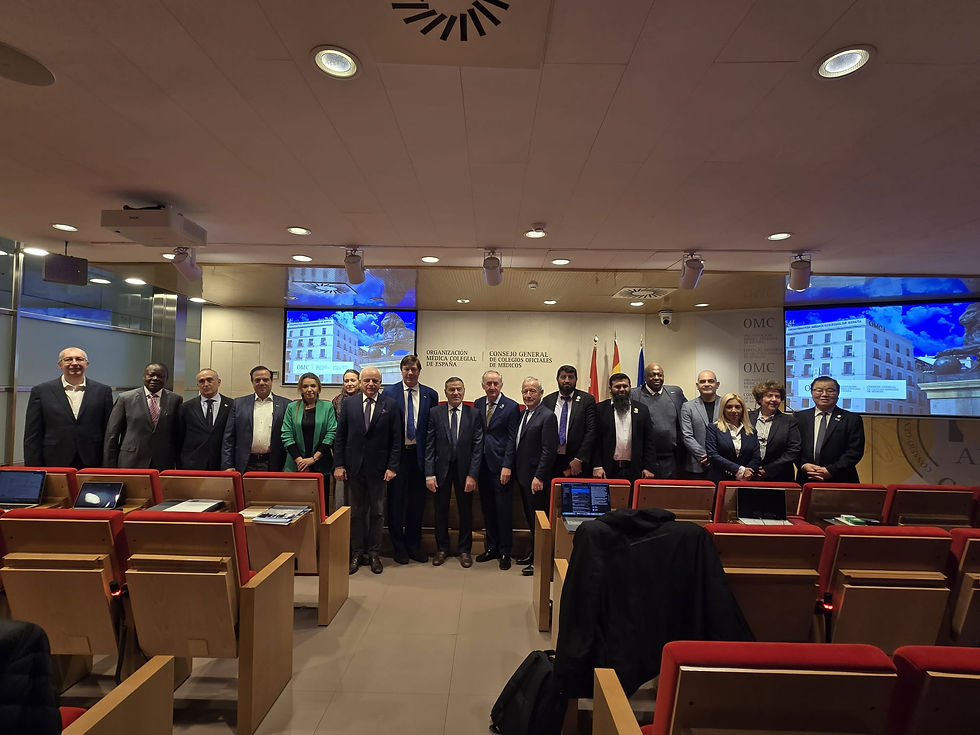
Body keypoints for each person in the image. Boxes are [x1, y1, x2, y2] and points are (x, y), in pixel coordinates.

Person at [333, 366, 401, 575]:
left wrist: (392, 466)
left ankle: (374, 553)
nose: (371, 384)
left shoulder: (390, 405)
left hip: (379, 470)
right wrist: (339, 464)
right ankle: (356, 552)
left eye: (375, 381)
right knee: (356, 513)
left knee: (378, 513)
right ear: (361, 382)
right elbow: (341, 436)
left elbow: (396, 440)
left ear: (380, 383)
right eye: (367, 380)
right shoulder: (350, 404)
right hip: (354, 468)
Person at [384, 355, 439, 564]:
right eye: (406, 369)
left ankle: (414, 546)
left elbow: (431, 429)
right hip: (397, 457)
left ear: (419, 371)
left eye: (413, 369)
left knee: (417, 505)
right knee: (396, 504)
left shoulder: (430, 395)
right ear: (401, 370)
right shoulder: (389, 393)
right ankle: (399, 548)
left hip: (420, 457)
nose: (410, 373)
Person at [424, 377, 483, 567]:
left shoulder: (474, 413)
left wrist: (473, 474)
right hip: (441, 470)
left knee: (465, 511)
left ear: (464, 391)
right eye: (451, 390)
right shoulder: (435, 412)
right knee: (440, 510)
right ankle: (442, 548)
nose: (455, 393)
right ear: (445, 392)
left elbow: (478, 446)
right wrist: (429, 473)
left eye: (459, 389)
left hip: (465, 470)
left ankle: (465, 550)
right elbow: (430, 445)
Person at [23, 346, 113, 469]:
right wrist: (33, 468)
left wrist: (109, 464)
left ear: (87, 364)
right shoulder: (41, 391)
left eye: (79, 359)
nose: (74, 363)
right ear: (59, 365)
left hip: (93, 460)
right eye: (68, 359)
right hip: (53, 460)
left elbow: (109, 431)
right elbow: (32, 434)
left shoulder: (103, 391)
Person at [472, 370, 520, 570]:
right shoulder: (477, 403)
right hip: (481, 466)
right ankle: (491, 547)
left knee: (503, 510)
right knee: (488, 509)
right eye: (488, 383)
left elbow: (512, 440)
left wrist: (507, 465)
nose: (492, 387)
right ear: (483, 385)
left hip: (501, 467)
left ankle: (505, 551)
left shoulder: (511, 406)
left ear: (501, 385)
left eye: (495, 383)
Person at [513, 377, 558, 576]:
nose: (528, 395)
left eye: (532, 391)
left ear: (541, 393)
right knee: (531, 521)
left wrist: (539, 476)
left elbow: (549, 451)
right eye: (525, 391)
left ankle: (541, 560)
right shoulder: (524, 414)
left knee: (539, 522)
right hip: (523, 477)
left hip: (536, 480)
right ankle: (533, 554)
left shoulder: (547, 416)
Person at [103, 362, 182, 470]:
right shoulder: (125, 398)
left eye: (160, 376)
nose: (155, 378)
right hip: (131, 461)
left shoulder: (175, 399)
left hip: (163, 462)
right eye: (151, 375)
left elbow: (177, 434)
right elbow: (112, 434)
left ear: (166, 378)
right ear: (144, 376)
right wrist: (109, 466)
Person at [795, 376, 865, 484]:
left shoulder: (852, 419)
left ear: (838, 393)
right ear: (811, 392)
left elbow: (854, 451)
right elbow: (794, 447)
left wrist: (831, 470)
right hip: (807, 478)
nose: (824, 394)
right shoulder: (799, 417)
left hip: (842, 479)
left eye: (830, 390)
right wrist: (803, 465)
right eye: (819, 390)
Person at [221, 365, 291, 473]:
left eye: (265, 379)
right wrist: (227, 464)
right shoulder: (238, 404)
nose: (262, 383)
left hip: (274, 463)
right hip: (245, 463)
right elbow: (229, 437)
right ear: (252, 382)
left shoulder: (286, 404)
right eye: (257, 380)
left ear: (271, 381)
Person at [592, 373, 657, 484]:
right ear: (610, 389)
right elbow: (594, 441)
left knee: (633, 500)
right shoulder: (600, 409)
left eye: (625, 386)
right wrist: (597, 466)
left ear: (630, 387)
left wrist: (649, 467)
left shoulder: (642, 409)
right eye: (617, 387)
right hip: (607, 470)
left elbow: (649, 441)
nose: (622, 389)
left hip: (636, 469)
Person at [281, 373, 337, 501]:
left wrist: (313, 459)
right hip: (296, 465)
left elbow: (331, 433)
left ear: (319, 388)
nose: (309, 389)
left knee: (320, 506)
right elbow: (286, 434)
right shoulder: (292, 407)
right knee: (295, 504)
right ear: (300, 389)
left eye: (313, 386)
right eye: (305, 386)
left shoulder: (327, 406)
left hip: (321, 464)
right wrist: (300, 461)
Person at [630, 362, 687, 479]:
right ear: (645, 377)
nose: (657, 378)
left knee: (669, 494)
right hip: (644, 459)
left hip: (671, 459)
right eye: (652, 375)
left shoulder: (675, 393)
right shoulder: (634, 394)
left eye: (660, 375)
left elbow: (688, 415)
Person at [542, 365, 596, 480]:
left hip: (576, 461)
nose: (567, 380)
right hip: (552, 460)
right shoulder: (548, 400)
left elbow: (591, 431)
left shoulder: (587, 400)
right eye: (563, 377)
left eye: (571, 377)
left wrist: (579, 459)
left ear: (576, 379)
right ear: (557, 379)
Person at [176, 369, 232, 470]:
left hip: (222, 464)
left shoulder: (232, 405)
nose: (205, 384)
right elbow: (179, 437)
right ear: (198, 385)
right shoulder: (186, 407)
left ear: (219, 382)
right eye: (201, 381)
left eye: (209, 380)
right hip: (193, 464)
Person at [748, 380, 801, 482]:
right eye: (769, 396)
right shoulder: (747, 418)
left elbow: (794, 450)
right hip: (750, 475)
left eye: (777, 396)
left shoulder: (790, 421)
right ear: (759, 399)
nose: (774, 399)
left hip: (779, 476)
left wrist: (768, 470)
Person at [705, 393, 761, 483]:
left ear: (743, 409)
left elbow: (756, 457)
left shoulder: (751, 431)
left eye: (737, 407)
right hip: (720, 479)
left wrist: (747, 473)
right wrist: (740, 471)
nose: (734, 410)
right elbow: (712, 455)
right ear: (723, 409)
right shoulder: (713, 428)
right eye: (729, 407)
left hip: (746, 480)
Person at [680, 370, 721, 479]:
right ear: (697, 386)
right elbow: (687, 436)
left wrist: (717, 458)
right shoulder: (687, 407)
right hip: (697, 464)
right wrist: (706, 457)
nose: (707, 384)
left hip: (723, 464)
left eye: (710, 381)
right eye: (703, 381)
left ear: (717, 384)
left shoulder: (726, 405)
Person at [331, 369, 362, 507]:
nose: (349, 384)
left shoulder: (367, 399)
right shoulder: (336, 401)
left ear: (359, 382)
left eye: (353, 380)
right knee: (340, 497)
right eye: (346, 381)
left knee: (359, 498)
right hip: (342, 452)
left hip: (361, 452)